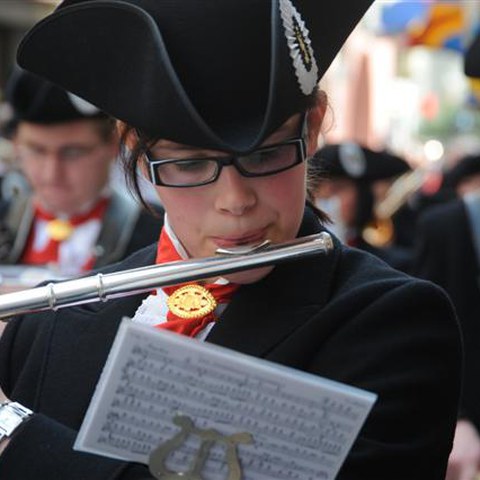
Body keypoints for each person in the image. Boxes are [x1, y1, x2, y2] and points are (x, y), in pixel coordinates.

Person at [0, 1, 461, 479]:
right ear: (135, 154)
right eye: (189, 164)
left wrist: (10, 433)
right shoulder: (46, 324)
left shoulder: (393, 324)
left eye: (266, 155)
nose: (235, 200)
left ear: (313, 126)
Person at [0, 67, 162, 279]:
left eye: (73, 152)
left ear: (114, 144)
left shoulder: (157, 234)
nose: (51, 174)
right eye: (36, 150)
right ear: (16, 144)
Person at [309, 142, 417, 272]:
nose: (324, 199)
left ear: (362, 196)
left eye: (337, 189)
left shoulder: (391, 266)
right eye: (316, 190)